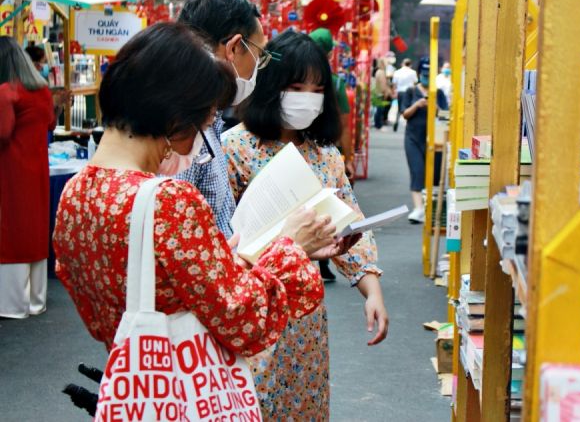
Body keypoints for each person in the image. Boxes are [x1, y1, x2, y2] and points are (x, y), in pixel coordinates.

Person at [53, 22, 341, 357]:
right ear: (176, 119)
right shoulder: (170, 202)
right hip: (188, 386)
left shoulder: (75, 193)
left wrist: (231, 263)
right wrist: (291, 245)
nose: (199, 143)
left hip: (130, 375)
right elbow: (243, 321)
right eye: (204, 126)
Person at [225, 30, 389, 419]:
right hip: (248, 308)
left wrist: (373, 292)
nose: (306, 98)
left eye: (316, 89)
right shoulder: (233, 148)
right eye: (296, 87)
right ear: (271, 86)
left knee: (304, 406)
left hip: (304, 318)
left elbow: (352, 227)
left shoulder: (327, 157)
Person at [174, 0, 269, 238]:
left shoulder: (208, 119)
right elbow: (177, 237)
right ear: (235, 48)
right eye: (259, 54)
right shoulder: (185, 129)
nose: (258, 66)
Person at [0, 37, 55, 318]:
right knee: (33, 231)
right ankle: (35, 299)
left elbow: (3, 132)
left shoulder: (7, 92)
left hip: (10, 171)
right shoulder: (42, 91)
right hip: (38, 170)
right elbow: (50, 123)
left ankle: (13, 303)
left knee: (10, 232)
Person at [309, 27, 352, 282]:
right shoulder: (336, 82)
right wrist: (349, 158)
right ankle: (324, 260)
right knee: (328, 209)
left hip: (303, 152)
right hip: (327, 151)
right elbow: (344, 124)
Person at [400, 58, 449, 224]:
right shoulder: (411, 92)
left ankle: (430, 208)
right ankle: (418, 208)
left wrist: (434, 107)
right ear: (420, 74)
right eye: (425, 73)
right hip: (413, 138)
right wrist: (417, 105)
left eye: (430, 74)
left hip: (435, 141)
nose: (427, 76)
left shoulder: (439, 93)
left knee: (434, 176)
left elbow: (446, 115)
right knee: (417, 171)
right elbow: (405, 114)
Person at [372, 58, 394, 130]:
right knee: (380, 110)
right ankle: (378, 125)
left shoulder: (378, 72)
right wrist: (385, 93)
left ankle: (377, 124)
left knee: (379, 109)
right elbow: (383, 84)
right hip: (380, 93)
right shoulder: (381, 72)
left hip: (378, 92)